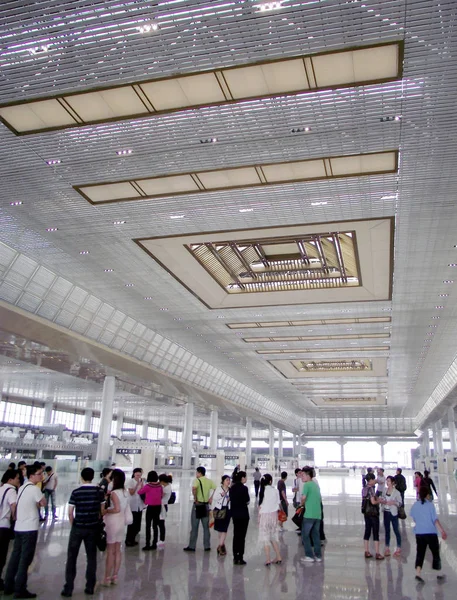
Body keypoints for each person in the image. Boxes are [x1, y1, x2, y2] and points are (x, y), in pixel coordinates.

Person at [61, 467, 105, 597]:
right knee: (91, 557)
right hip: (92, 528)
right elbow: (102, 511)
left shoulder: (76, 492)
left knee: (71, 557)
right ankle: (90, 586)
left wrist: (74, 525)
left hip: (78, 527)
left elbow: (70, 513)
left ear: (81, 477)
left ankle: (68, 588)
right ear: (93, 477)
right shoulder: (99, 492)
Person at [4, 464, 46, 598]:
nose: (42, 476)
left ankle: (8, 585)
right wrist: (39, 502)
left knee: (15, 557)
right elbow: (43, 503)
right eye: (39, 474)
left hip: (19, 527)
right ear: (32, 475)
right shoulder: (34, 489)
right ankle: (20, 589)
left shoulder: (22, 487)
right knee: (25, 559)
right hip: (29, 528)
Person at [410, 485, 447, 583]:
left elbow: (413, 518)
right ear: (427, 495)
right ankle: (438, 573)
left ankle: (418, 573)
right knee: (435, 552)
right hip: (431, 532)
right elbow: (435, 520)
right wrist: (442, 531)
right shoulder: (430, 505)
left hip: (419, 533)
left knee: (420, 553)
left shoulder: (415, 505)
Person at [101, 468, 130, 586]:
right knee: (118, 550)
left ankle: (107, 578)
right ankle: (115, 576)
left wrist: (106, 510)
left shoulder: (114, 493)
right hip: (121, 522)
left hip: (112, 522)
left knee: (110, 551)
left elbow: (116, 509)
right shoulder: (125, 492)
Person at [184, 466, 216, 552]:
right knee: (206, 527)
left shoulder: (196, 480)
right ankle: (207, 546)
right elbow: (215, 488)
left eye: (197, 472)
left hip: (197, 506)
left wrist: (195, 498)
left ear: (199, 473)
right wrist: (211, 498)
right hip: (205, 506)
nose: (196, 474)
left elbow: (194, 489)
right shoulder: (209, 481)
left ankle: (192, 546)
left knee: (194, 526)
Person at [0, 469, 20, 592]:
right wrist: (14, 516)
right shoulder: (11, 490)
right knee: (1, 555)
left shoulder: (1, 488)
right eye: (17, 478)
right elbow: (13, 505)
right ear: (10, 479)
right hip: (3, 526)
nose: (19, 480)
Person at [300, 467, 322, 563]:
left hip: (309, 515)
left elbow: (303, 498)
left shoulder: (307, 485)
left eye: (303, 475)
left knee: (305, 535)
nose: (302, 477)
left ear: (308, 476)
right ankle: (318, 556)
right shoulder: (315, 485)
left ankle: (309, 555)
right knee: (315, 535)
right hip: (317, 514)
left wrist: (301, 504)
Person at [259, 474, 282, 566]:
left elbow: (260, 506)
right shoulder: (275, 491)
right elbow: (278, 503)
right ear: (270, 481)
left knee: (266, 538)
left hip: (264, 517)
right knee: (273, 537)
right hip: (273, 516)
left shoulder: (262, 491)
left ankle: (268, 559)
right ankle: (278, 556)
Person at [138, 470, 163, 551]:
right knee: (155, 526)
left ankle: (147, 544)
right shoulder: (160, 486)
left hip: (150, 507)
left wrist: (141, 485)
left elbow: (139, 492)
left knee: (148, 526)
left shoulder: (148, 486)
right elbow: (161, 495)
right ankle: (154, 543)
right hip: (158, 507)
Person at [362, 472, 384, 560]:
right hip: (373, 513)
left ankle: (366, 551)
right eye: (374, 479)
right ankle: (377, 553)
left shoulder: (364, 488)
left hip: (366, 513)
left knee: (367, 531)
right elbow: (373, 502)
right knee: (375, 533)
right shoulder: (371, 489)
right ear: (370, 480)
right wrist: (380, 501)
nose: (375, 481)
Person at [230, 471, 250, 565]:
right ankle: (240, 557)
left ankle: (235, 556)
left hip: (235, 515)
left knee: (236, 535)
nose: (246, 479)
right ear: (242, 478)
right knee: (242, 536)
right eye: (245, 477)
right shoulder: (244, 488)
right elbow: (247, 500)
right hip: (243, 515)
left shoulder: (232, 488)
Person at [380, 475, 402, 557]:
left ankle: (398, 547)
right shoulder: (384, 490)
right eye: (386, 481)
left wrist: (394, 502)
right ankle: (387, 547)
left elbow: (400, 503)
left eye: (388, 481)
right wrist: (382, 500)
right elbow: (382, 497)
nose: (387, 482)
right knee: (387, 531)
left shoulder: (396, 492)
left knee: (396, 530)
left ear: (392, 482)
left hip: (393, 513)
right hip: (386, 512)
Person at [211, 475, 231, 556]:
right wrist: (222, 495)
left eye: (229, 480)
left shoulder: (230, 490)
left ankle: (220, 546)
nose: (228, 482)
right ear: (223, 481)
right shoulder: (219, 489)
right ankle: (222, 545)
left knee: (224, 529)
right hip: (219, 509)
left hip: (227, 509)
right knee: (220, 529)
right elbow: (215, 498)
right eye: (227, 480)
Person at [125, 468, 144, 547]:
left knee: (137, 523)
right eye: (137, 475)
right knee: (132, 523)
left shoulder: (142, 481)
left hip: (139, 504)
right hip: (133, 504)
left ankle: (133, 539)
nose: (138, 476)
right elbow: (131, 492)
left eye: (139, 475)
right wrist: (137, 485)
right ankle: (129, 539)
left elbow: (142, 492)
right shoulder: (130, 481)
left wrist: (142, 485)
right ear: (134, 474)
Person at [158, 473, 172, 547]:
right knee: (160, 523)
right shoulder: (168, 485)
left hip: (162, 506)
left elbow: (160, 496)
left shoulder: (166, 488)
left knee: (161, 523)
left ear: (162, 481)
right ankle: (161, 539)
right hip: (163, 505)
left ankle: (162, 539)